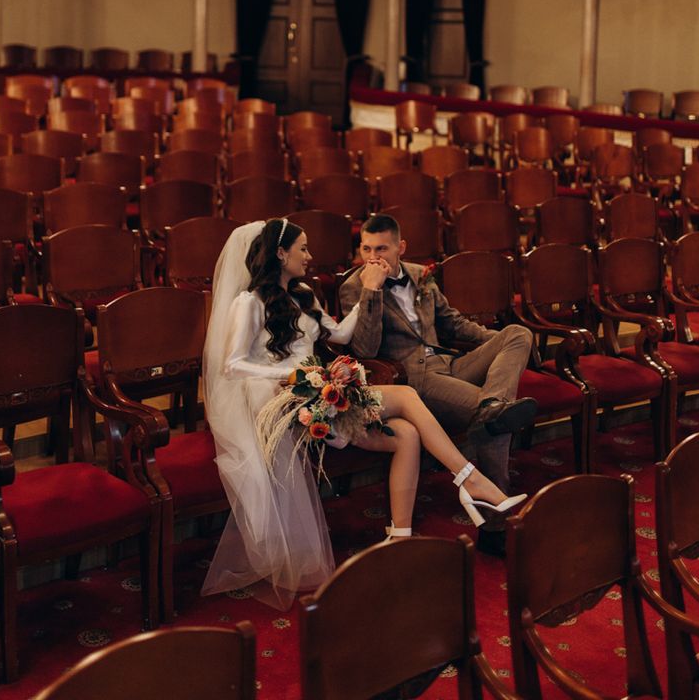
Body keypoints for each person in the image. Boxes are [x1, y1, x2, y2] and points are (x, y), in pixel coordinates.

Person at [202, 217, 526, 608]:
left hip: (321, 389)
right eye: (302, 248)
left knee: (405, 434)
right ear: (280, 253)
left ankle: (400, 536)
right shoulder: (248, 303)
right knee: (406, 395)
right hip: (283, 398)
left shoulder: (304, 294)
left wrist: (367, 293)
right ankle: (471, 481)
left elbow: (338, 335)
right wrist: (295, 375)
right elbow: (232, 365)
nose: (310, 255)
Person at [339, 213, 536, 557]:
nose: (373, 257)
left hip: (449, 362)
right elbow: (364, 350)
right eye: (366, 249)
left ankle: (494, 407)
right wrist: (372, 290)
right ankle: (495, 529)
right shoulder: (355, 286)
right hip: (414, 379)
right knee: (491, 419)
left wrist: (500, 346)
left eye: (382, 249)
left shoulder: (420, 275)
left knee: (518, 334)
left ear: (400, 247)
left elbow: (455, 324)